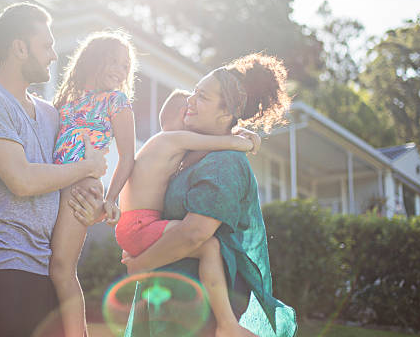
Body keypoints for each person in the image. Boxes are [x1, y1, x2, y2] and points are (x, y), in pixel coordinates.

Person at [0, 2, 108, 337]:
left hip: (46, 273)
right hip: (3, 274)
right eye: (47, 46)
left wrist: (95, 203)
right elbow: (22, 180)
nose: (54, 55)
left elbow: (71, 178)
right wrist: (89, 166)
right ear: (20, 48)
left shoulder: (51, 115)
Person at [121, 53, 298, 337]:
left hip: (199, 312)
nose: (190, 100)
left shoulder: (223, 163)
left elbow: (195, 233)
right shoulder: (189, 153)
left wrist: (141, 264)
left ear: (226, 113)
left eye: (201, 97)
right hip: (168, 304)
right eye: (194, 91)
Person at [111, 89, 261, 336]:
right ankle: (227, 324)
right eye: (192, 109)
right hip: (141, 224)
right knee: (210, 247)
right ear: (185, 114)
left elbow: (205, 150)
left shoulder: (162, 147)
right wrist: (248, 140)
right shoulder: (172, 140)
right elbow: (222, 144)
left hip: (133, 225)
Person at [50, 31, 137, 337]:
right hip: (51, 183)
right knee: (44, 265)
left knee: (61, 268)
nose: (120, 69)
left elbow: (128, 157)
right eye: (113, 61)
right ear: (92, 60)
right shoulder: (65, 100)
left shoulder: (117, 100)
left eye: (125, 66)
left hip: (83, 187)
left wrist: (111, 200)